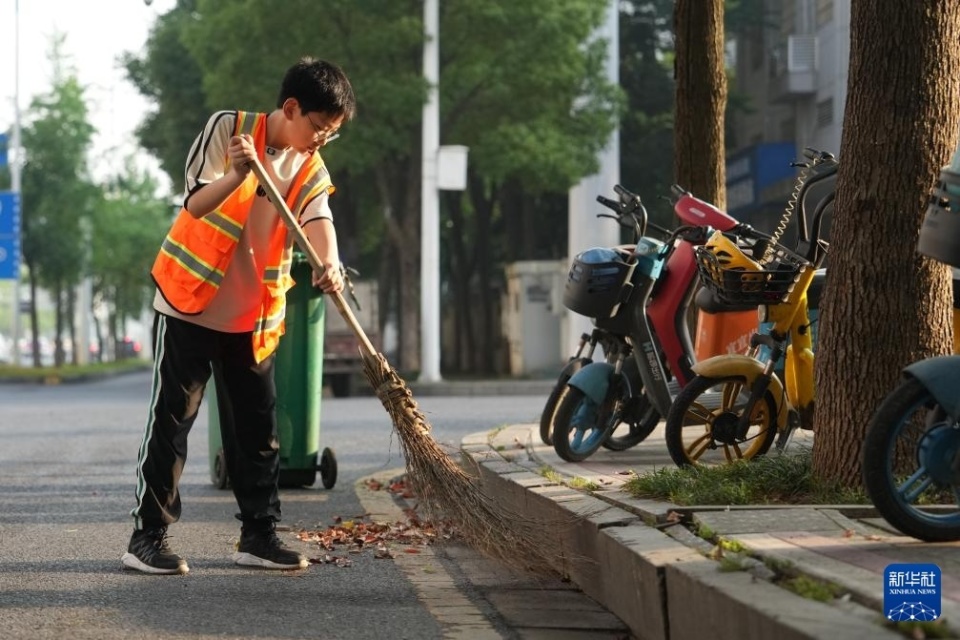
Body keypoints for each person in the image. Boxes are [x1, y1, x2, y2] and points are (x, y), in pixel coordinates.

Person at [122, 57, 356, 575]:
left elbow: (318, 216)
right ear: (291, 108)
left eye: (331, 133)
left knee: (258, 431)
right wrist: (237, 174)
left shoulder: (308, 164)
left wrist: (330, 262)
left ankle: (258, 536)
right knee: (172, 424)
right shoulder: (228, 129)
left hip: (252, 316)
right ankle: (147, 538)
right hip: (191, 303)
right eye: (319, 127)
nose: (322, 139)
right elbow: (195, 204)